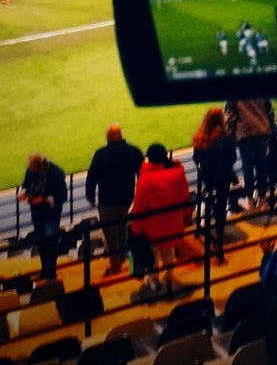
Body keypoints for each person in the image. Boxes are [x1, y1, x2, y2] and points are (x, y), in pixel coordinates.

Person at [129, 143, 193, 298]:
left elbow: (139, 208)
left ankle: (154, 281)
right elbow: (185, 198)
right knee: (168, 251)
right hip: (172, 223)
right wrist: (187, 216)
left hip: (152, 227)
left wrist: (135, 230)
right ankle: (169, 279)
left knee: (152, 255)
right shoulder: (177, 174)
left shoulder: (145, 179)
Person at [85, 123, 144, 276]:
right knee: (122, 228)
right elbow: (143, 176)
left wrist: (90, 196)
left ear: (108, 137)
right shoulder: (133, 151)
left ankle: (116, 268)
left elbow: (92, 177)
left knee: (111, 236)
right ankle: (122, 257)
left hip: (108, 202)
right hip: (127, 200)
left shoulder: (101, 154)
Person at [191, 107, 236, 265]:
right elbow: (232, 158)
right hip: (222, 176)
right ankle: (219, 232)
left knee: (210, 198)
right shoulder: (227, 137)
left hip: (207, 176)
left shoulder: (200, 137)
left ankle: (206, 227)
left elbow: (196, 158)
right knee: (221, 204)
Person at [18, 153, 66, 279]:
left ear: (41, 166)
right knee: (41, 244)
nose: (32, 172)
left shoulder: (57, 174)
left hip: (51, 214)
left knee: (50, 243)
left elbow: (62, 197)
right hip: (37, 212)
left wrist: (44, 199)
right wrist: (23, 193)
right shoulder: (31, 170)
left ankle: (51, 272)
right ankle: (45, 271)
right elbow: (26, 183)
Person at [225, 97, 276, 211]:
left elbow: (230, 116)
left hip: (246, 133)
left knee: (248, 168)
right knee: (261, 166)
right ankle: (262, 200)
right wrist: (271, 130)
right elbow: (270, 111)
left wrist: (230, 136)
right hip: (262, 130)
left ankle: (250, 201)